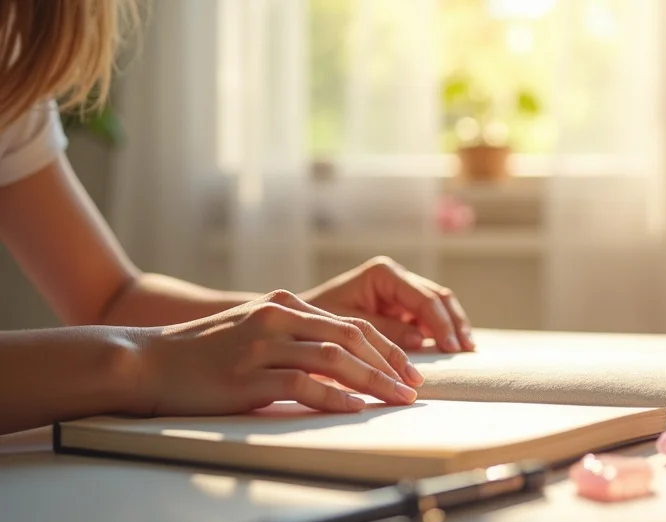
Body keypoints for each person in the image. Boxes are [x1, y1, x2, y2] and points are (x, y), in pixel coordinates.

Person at [0, 0, 474, 436]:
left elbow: (107, 299)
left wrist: (299, 318)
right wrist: (140, 366)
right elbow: (126, 331)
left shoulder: (9, 63)